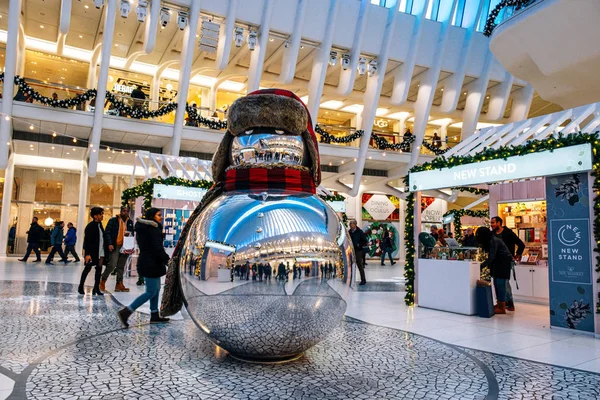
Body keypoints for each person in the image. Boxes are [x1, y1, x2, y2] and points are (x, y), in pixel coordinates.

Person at [118, 208, 170, 327]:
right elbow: (157, 248)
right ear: (152, 216)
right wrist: (167, 259)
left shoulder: (145, 228)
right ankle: (126, 311)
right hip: (151, 263)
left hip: (150, 262)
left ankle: (154, 314)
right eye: (158, 215)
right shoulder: (152, 229)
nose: (160, 217)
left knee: (155, 290)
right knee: (151, 291)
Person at [490, 216, 525, 312]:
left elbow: (521, 244)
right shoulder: (492, 234)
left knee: (504, 282)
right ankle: (501, 303)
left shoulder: (508, 233)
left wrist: (517, 254)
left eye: (493, 222)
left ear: (499, 223)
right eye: (491, 222)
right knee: (498, 282)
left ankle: (508, 302)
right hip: (496, 262)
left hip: (506, 261)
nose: (491, 224)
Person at [476, 226, 513, 314]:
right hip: (499, 263)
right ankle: (499, 303)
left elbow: (492, 256)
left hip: (503, 263)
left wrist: (481, 266)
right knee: (496, 282)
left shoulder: (493, 241)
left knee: (500, 283)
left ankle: (502, 307)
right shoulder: (491, 240)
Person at [100, 206, 134, 293]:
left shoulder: (130, 222)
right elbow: (107, 232)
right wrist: (110, 243)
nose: (125, 212)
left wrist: (130, 245)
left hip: (125, 246)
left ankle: (119, 284)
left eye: (127, 211)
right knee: (112, 263)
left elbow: (131, 234)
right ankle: (103, 279)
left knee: (121, 265)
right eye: (124, 211)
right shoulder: (113, 220)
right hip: (115, 245)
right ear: (120, 211)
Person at [79, 207, 107, 296]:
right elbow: (87, 241)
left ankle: (96, 288)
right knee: (88, 268)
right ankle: (81, 286)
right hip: (92, 251)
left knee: (99, 269)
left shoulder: (100, 225)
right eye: (101, 214)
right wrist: (87, 254)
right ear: (95, 216)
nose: (102, 216)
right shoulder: (90, 226)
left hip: (101, 251)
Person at [349, 219, 367, 285]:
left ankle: (363, 280)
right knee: (350, 265)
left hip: (358, 251)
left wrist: (359, 245)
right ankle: (350, 279)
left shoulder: (360, 232)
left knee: (360, 265)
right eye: (350, 224)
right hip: (351, 251)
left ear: (355, 224)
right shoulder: (349, 232)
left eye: (351, 224)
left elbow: (365, 241)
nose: (350, 225)